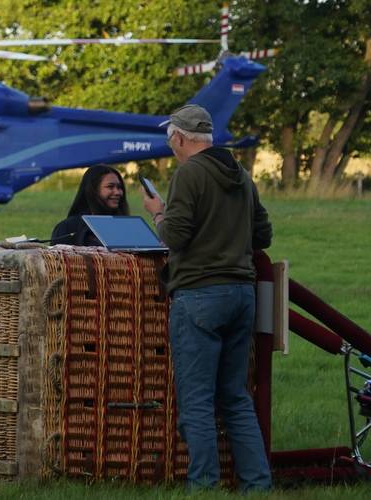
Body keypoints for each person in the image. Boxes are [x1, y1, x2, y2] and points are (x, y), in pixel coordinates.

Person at [141, 104, 273, 492]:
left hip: (199, 295)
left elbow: (175, 238)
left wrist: (157, 214)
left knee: (196, 402)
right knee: (235, 397)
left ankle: (203, 486)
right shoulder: (242, 175)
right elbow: (263, 236)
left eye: (171, 141)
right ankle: (257, 485)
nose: (171, 147)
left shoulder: (189, 174)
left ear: (180, 138)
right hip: (242, 294)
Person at [50, 164, 128, 246]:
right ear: (93, 190)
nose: (117, 192)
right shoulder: (68, 229)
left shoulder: (127, 228)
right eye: (110, 187)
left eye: (119, 187)